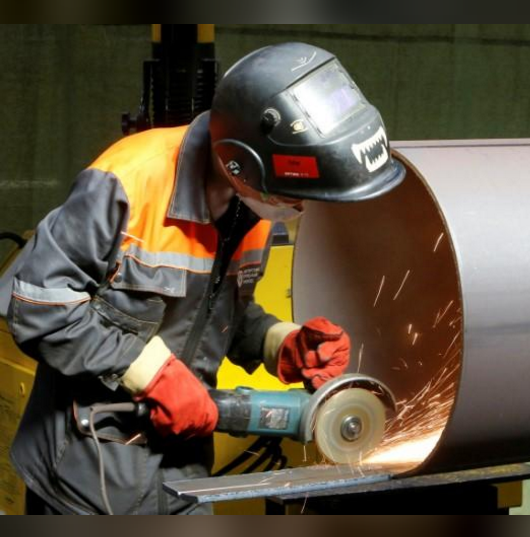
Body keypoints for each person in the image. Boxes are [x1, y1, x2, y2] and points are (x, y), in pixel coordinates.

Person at [4, 42, 405, 515]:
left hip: (183, 472)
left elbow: (220, 311)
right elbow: (33, 306)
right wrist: (149, 372)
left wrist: (279, 343)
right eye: (295, 197)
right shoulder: (128, 182)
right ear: (241, 164)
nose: (300, 209)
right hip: (83, 476)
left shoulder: (254, 204)